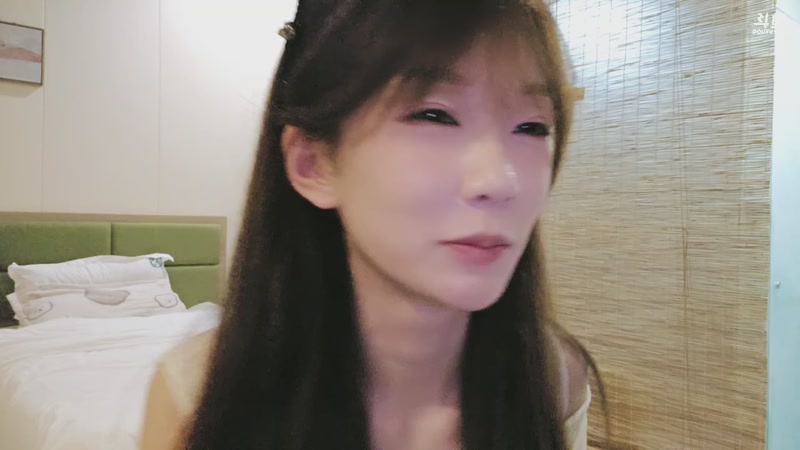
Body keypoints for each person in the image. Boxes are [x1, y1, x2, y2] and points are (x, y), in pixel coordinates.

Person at [140, 0, 608, 449]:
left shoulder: (553, 379)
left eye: (532, 127)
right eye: (435, 115)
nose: (500, 180)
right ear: (313, 163)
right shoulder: (200, 395)